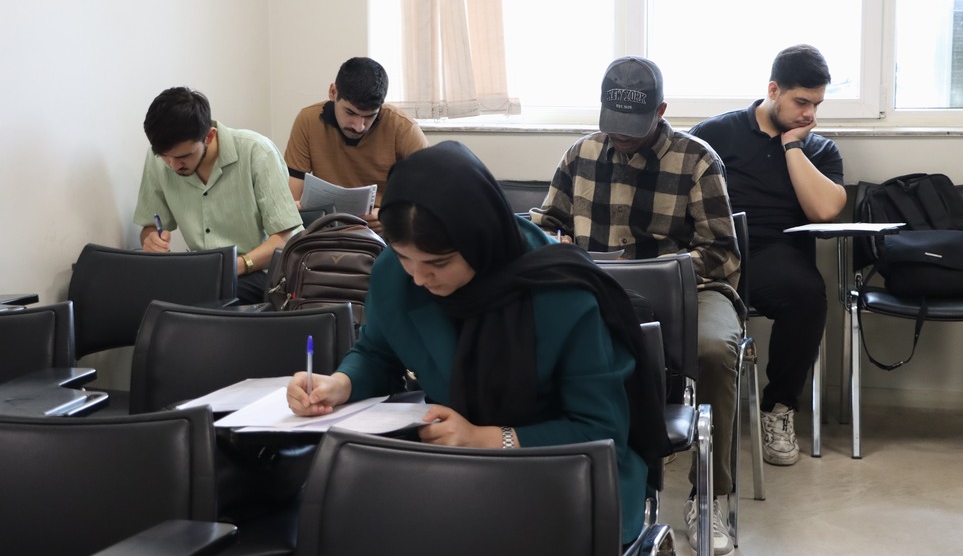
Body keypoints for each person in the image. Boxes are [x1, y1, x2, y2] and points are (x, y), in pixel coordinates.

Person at [286, 141, 667, 545]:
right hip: (451, 464)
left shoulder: (561, 292)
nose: (419, 278)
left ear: (479, 239)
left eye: (438, 263)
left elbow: (599, 431)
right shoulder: (395, 275)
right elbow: (378, 352)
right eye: (403, 258)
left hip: (562, 475)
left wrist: (485, 438)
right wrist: (340, 384)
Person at [530, 56, 743, 555]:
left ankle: (709, 494)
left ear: (661, 110)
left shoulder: (697, 160)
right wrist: (555, 245)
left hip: (690, 290)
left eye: (634, 125)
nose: (621, 135)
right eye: (614, 123)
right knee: (540, 339)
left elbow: (722, 253)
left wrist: (658, 268)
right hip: (597, 291)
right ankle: (564, 479)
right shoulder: (581, 154)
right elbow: (543, 225)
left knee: (714, 351)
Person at [689, 44, 846, 469]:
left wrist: (793, 147)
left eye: (817, 104)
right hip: (714, 250)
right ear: (773, 90)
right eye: (801, 102)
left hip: (773, 256)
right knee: (661, 285)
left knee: (808, 295)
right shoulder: (715, 134)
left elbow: (825, 210)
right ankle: (673, 413)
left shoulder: (820, 150)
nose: (809, 114)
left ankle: (778, 408)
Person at [134, 86, 303, 305]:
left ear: (209, 136)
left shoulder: (257, 152)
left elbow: (287, 238)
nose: (173, 165)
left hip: (261, 272)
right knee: (136, 292)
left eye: (184, 156)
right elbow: (150, 227)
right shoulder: (159, 159)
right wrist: (151, 241)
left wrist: (237, 265)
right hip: (202, 274)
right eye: (165, 157)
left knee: (198, 298)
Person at [283, 56, 429, 233]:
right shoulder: (308, 120)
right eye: (350, 113)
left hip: (383, 233)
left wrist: (392, 216)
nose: (359, 126)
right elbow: (292, 199)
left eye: (370, 116)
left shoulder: (403, 127)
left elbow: (432, 193)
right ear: (333, 92)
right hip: (325, 230)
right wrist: (297, 209)